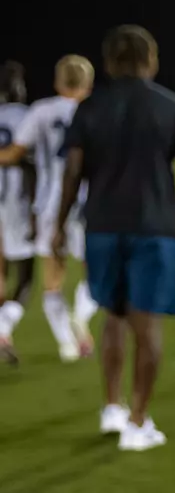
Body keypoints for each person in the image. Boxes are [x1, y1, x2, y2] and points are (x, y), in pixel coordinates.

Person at [58, 25, 175, 450]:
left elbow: (72, 173)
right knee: (147, 324)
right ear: (151, 59)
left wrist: (56, 225)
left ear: (108, 63)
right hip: (152, 228)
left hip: (101, 226)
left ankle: (111, 407)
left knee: (113, 317)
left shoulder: (90, 108)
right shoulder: (170, 106)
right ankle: (138, 423)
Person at [0, 55, 98, 361]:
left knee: (52, 282)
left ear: (58, 82)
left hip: (49, 204)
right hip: (87, 202)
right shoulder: (96, 109)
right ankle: (80, 318)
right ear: (88, 83)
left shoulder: (41, 111)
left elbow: (15, 152)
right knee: (96, 275)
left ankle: (66, 345)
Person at [0, 62, 34, 366]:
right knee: (25, 274)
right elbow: (30, 164)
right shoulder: (26, 116)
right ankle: (3, 328)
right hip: (14, 201)